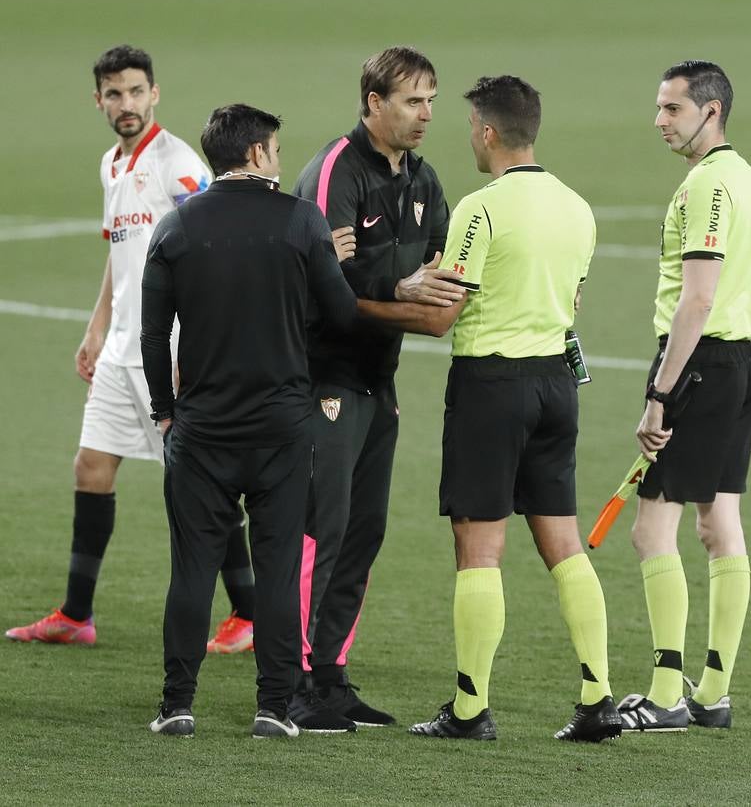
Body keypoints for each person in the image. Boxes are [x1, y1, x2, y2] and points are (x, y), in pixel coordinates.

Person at [360, 75, 622, 743]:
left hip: (491, 388)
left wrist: (361, 302)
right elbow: (575, 305)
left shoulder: (480, 209)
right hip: (555, 386)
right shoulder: (578, 208)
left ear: (485, 129)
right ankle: (598, 699)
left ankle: (471, 709)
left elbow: (444, 314)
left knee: (478, 547)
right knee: (563, 543)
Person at [5, 45, 255, 652]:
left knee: (201, 479)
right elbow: (120, 257)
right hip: (120, 350)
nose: (126, 104)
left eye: (136, 91)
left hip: (167, 349)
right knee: (91, 468)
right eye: (113, 94)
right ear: (99, 100)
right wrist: (96, 328)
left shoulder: (176, 164)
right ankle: (76, 614)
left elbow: (216, 238)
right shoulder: (111, 166)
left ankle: (250, 614)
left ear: (155, 94)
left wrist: (194, 341)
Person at [141, 103, 358, 738]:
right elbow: (342, 317)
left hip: (202, 432)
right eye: (277, 151)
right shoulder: (300, 221)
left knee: (191, 572)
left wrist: (164, 412)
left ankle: (177, 705)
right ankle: (273, 708)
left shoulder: (177, 227)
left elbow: (154, 337)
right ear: (259, 154)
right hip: (282, 431)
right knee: (279, 566)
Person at [288, 45, 462, 732]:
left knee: (364, 531)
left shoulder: (423, 182)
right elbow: (329, 287)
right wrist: (402, 289)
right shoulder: (337, 172)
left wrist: (419, 294)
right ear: (372, 103)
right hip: (319, 378)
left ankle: (330, 676)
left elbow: (447, 272)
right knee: (316, 531)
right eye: (412, 101)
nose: (424, 115)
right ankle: (295, 681)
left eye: (431, 102)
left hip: (375, 381)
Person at [615, 60, 751, 733]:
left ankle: (665, 693)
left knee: (653, 528)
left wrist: (661, 392)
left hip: (699, 365)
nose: (659, 120)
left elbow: (699, 297)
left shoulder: (708, 188)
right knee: (720, 524)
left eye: (673, 109)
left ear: (711, 112)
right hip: (741, 364)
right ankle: (712, 692)